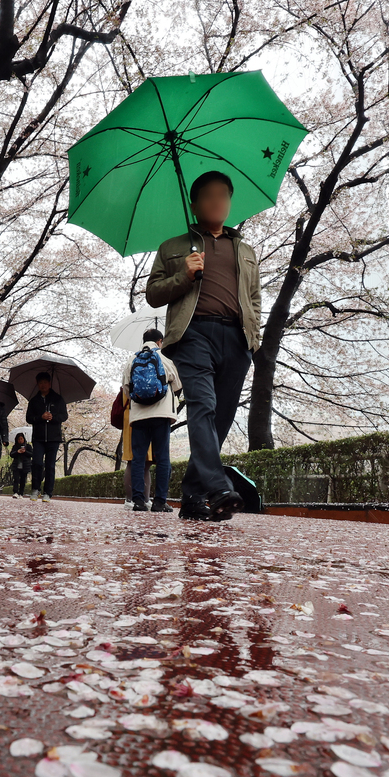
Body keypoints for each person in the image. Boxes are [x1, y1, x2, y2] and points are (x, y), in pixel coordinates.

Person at [145, 170, 261, 522]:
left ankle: (193, 497)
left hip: (236, 338)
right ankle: (217, 485)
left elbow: (254, 297)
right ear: (194, 205)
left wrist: (253, 337)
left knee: (221, 418)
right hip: (193, 335)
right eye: (208, 196)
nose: (217, 202)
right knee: (203, 406)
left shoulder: (244, 249)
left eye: (223, 196)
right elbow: (153, 294)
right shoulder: (173, 247)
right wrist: (184, 273)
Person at [121, 327, 181, 512]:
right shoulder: (164, 359)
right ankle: (159, 502)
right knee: (162, 457)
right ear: (159, 341)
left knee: (138, 459)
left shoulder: (132, 360)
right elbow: (177, 384)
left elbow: (126, 388)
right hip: (162, 415)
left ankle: (138, 501)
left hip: (139, 417)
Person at [26, 372, 68, 501]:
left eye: (45, 382)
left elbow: (64, 416)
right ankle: (35, 489)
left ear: (50, 384)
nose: (43, 385)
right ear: (37, 384)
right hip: (38, 438)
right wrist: (40, 417)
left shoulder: (58, 399)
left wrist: (53, 417)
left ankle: (48, 492)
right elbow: (29, 418)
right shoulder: (34, 401)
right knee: (37, 463)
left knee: (50, 465)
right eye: (40, 383)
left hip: (53, 438)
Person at [9, 433, 33, 497]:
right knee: (16, 479)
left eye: (21, 439)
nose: (20, 440)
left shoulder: (28, 446)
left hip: (25, 465)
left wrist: (25, 452)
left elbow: (31, 454)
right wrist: (17, 452)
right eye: (18, 439)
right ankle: (15, 492)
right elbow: (11, 454)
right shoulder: (15, 447)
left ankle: (21, 493)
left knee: (23, 479)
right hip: (16, 465)